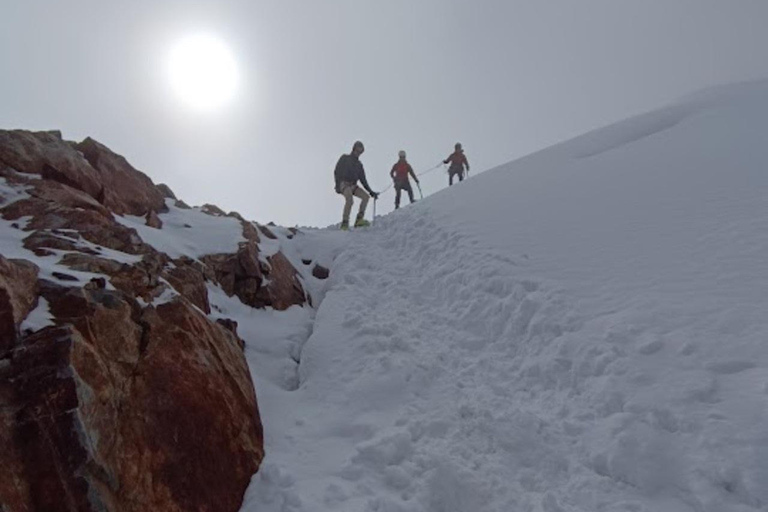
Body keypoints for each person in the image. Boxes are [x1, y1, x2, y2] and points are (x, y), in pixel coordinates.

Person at [334, 140, 379, 230]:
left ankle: (359, 220)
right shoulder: (345, 158)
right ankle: (345, 223)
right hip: (344, 183)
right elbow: (336, 171)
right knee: (350, 200)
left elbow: (363, 180)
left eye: (360, 152)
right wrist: (338, 184)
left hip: (354, 185)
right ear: (353, 149)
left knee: (366, 197)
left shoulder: (359, 165)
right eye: (357, 151)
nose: (358, 153)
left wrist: (371, 192)